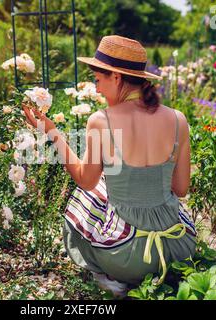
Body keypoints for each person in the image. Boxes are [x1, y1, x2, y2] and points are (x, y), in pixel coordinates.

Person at [22, 35, 197, 298]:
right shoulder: (178, 119)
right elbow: (181, 189)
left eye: (98, 80)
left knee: (91, 190)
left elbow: (85, 180)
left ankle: (108, 278)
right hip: (178, 247)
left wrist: (53, 133)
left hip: (125, 257)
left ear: (116, 77)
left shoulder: (101, 120)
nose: (98, 89)